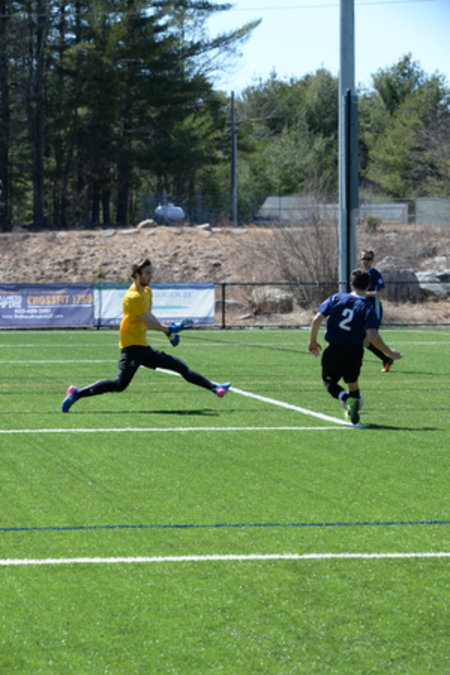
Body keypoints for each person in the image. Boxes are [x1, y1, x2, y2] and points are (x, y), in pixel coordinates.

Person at [61, 258, 230, 412]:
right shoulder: (132, 296)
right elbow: (148, 321)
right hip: (132, 347)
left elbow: (150, 317)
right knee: (119, 384)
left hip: (143, 347)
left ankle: (215, 388)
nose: (151, 276)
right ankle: (77, 393)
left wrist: (168, 332)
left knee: (179, 366)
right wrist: (169, 329)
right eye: (147, 273)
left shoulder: (147, 291)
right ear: (136, 275)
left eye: (151, 272)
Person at [308, 268, 402, 424]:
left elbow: (316, 319)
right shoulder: (367, 307)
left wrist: (312, 341)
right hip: (354, 352)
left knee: (328, 383)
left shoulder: (336, 298)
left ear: (351, 284)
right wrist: (389, 352)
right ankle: (352, 408)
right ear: (368, 286)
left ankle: (346, 399)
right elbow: (373, 336)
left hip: (334, 349)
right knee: (352, 384)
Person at [359, 249, 393, 372]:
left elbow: (383, 292)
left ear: (372, 260)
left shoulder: (375, 273)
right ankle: (386, 359)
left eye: (368, 259)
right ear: (360, 259)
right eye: (364, 258)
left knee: (367, 340)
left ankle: (387, 358)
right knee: (365, 342)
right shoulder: (360, 274)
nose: (366, 261)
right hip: (362, 311)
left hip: (374, 311)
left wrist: (367, 294)